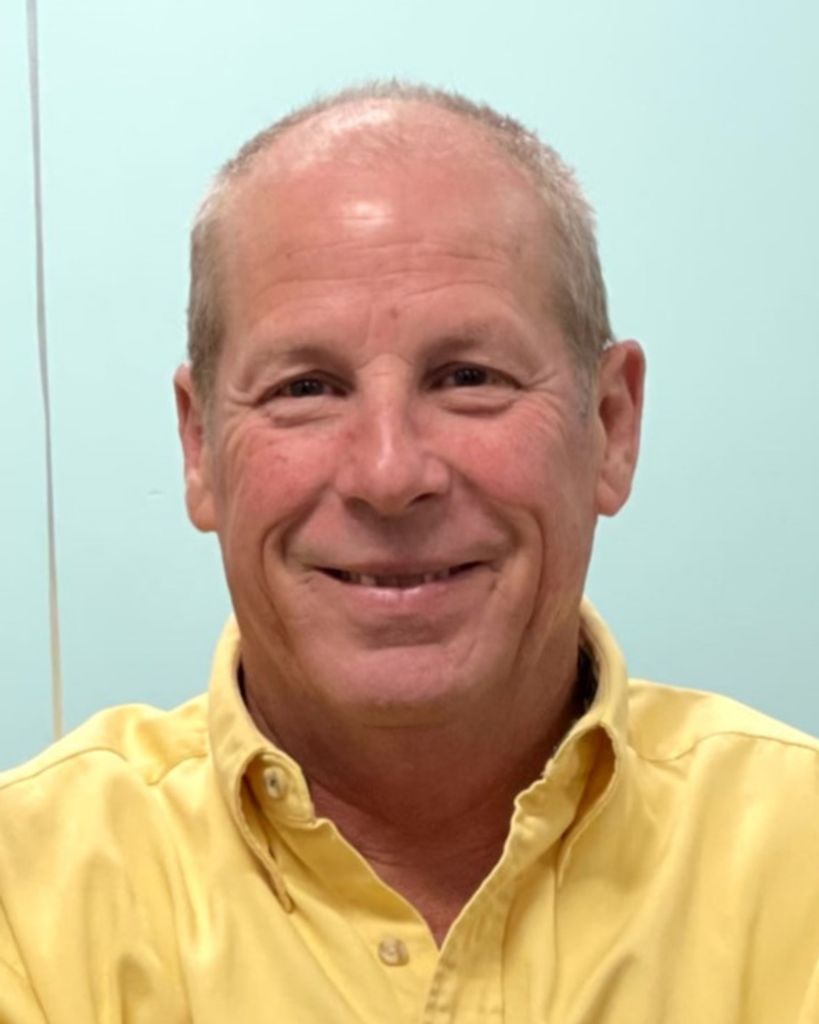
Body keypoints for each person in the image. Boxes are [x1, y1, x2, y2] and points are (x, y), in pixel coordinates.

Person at [1, 82, 817, 1024]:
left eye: (468, 377)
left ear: (609, 424)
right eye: (305, 388)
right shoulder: (27, 901)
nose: (388, 474)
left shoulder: (797, 853)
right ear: (199, 449)